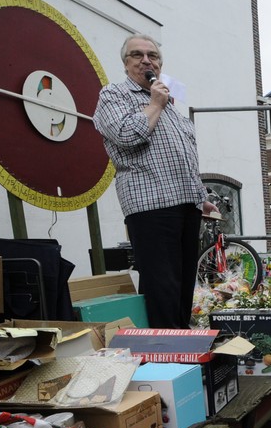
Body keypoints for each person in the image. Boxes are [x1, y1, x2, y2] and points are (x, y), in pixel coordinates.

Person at [93, 33, 217, 329]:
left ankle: (180, 341)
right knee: (162, 285)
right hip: (150, 205)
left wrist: (200, 197)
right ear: (125, 64)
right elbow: (127, 136)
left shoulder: (169, 105)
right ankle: (167, 348)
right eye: (137, 55)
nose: (146, 61)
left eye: (153, 56)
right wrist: (155, 104)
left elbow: (185, 156)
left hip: (186, 204)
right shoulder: (114, 95)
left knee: (184, 283)